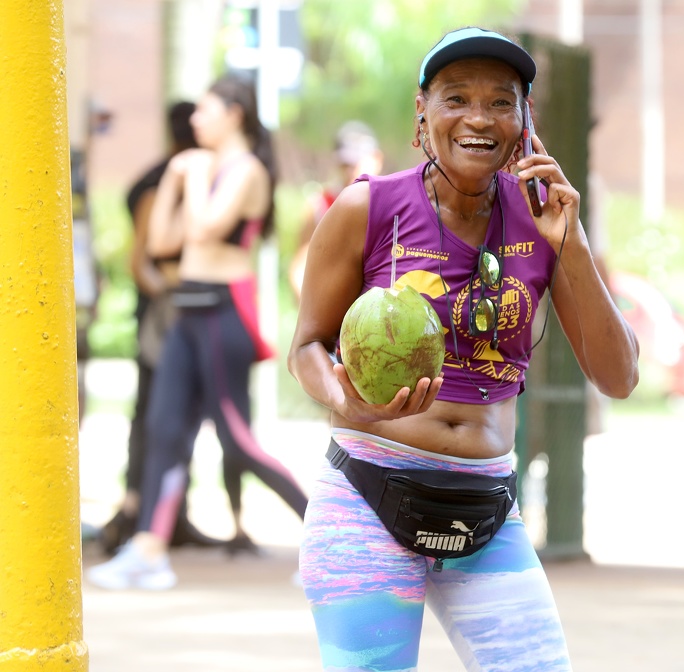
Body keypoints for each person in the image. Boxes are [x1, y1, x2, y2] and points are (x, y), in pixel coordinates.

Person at [287, 27, 639, 671]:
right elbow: (307, 345)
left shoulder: (543, 219)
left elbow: (619, 376)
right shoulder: (367, 208)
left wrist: (573, 243)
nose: (479, 118)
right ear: (423, 108)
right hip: (368, 494)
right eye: (457, 98)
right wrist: (345, 398)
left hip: (484, 509)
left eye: (502, 102)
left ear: (525, 119)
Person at [87, 74, 310, 590]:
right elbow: (164, 240)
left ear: (234, 113)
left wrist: (188, 175)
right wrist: (174, 178)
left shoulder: (247, 169)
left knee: (238, 440)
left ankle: (332, 537)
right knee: (166, 431)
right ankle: (147, 549)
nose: (193, 120)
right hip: (186, 311)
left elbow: (208, 227)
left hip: (221, 312)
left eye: (204, 110)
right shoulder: (198, 168)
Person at [98, 101, 226, 556]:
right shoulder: (163, 182)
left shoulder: (197, 174)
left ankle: (169, 517)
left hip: (180, 316)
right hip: (165, 320)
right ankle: (137, 514)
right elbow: (141, 262)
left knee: (179, 419)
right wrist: (174, 294)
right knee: (154, 417)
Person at [288, 120, 384, 301]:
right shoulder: (320, 204)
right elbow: (300, 265)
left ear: (377, 159)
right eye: (345, 164)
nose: (351, 171)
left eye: (357, 162)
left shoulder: (392, 204)